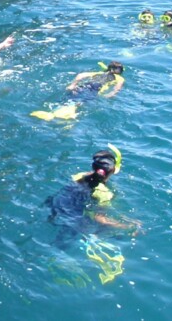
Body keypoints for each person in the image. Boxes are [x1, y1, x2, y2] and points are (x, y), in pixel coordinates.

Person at [45, 146, 140, 284]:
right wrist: (128, 226)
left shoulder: (79, 176)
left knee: (60, 240)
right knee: (105, 231)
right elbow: (100, 218)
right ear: (113, 171)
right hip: (75, 219)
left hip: (55, 206)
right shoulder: (104, 193)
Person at [31, 61, 125, 121]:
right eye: (120, 69)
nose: (121, 71)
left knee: (70, 98)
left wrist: (73, 85)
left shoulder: (98, 73)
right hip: (95, 89)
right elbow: (117, 88)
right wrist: (111, 94)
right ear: (114, 70)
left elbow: (81, 75)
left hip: (83, 86)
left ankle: (53, 111)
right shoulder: (119, 78)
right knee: (79, 102)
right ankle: (67, 114)